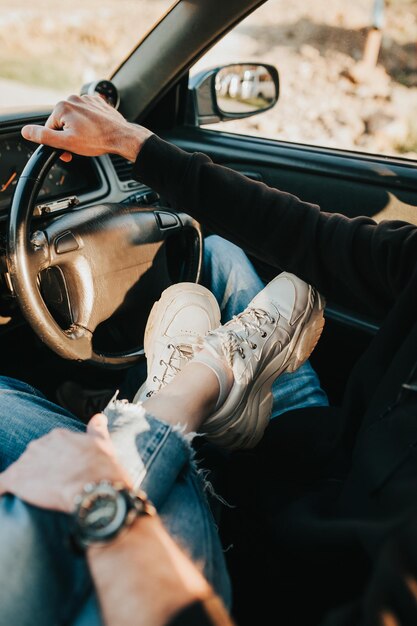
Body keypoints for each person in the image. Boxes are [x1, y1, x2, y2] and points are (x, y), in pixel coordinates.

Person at [3, 90, 417, 625]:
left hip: (275, 568)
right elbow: (308, 235)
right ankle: (193, 389)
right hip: (319, 447)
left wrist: (101, 500)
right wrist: (133, 141)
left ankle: (182, 399)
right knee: (220, 254)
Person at [0, 269, 324, 625]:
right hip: (196, 578)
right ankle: (200, 386)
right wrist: (94, 490)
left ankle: (163, 401)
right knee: (220, 253)